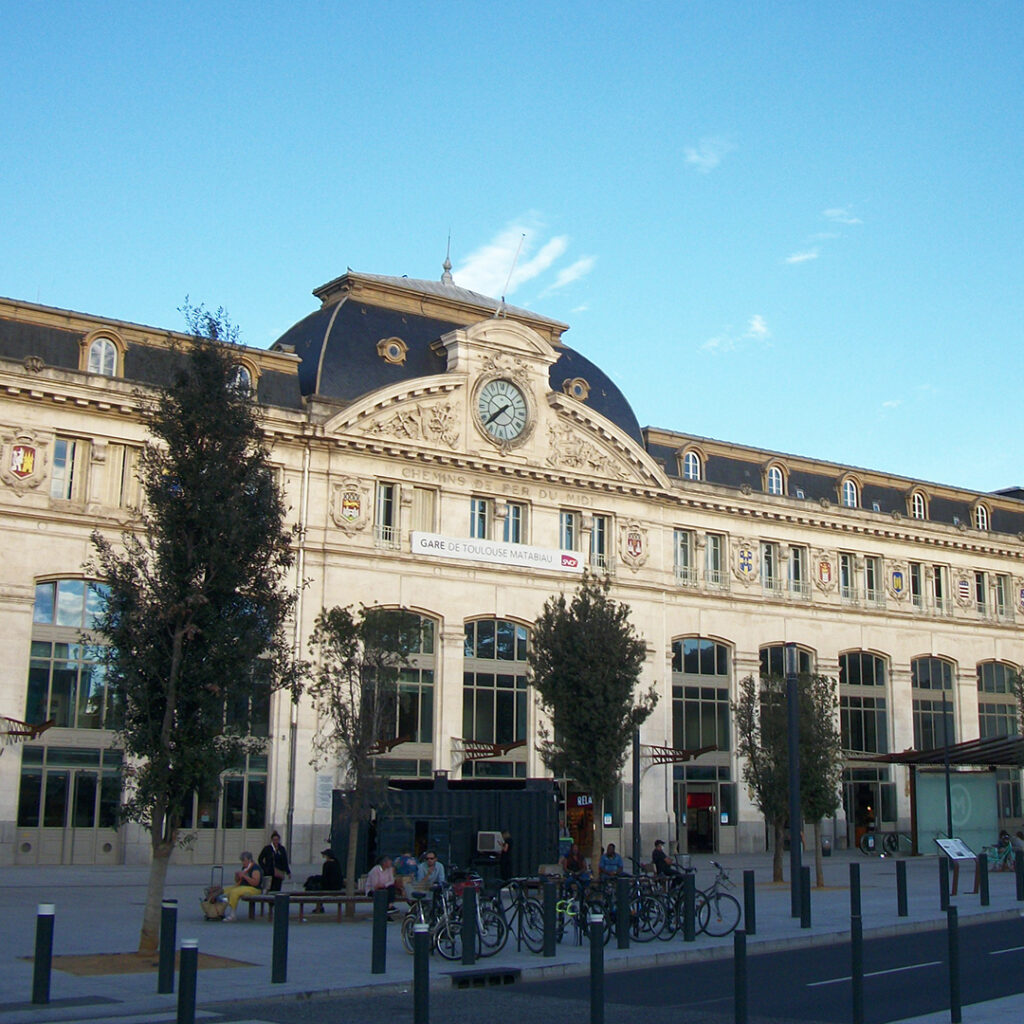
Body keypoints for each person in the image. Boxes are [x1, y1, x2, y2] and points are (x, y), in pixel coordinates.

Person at [222, 851, 262, 921]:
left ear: (249, 860)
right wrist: (237, 876)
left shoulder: (255, 868)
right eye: (242, 861)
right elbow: (238, 881)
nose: (243, 863)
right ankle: (219, 911)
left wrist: (244, 876)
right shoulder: (244, 868)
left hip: (254, 889)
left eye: (244, 861)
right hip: (243, 887)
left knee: (234, 892)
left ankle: (232, 914)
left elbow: (255, 883)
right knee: (224, 890)